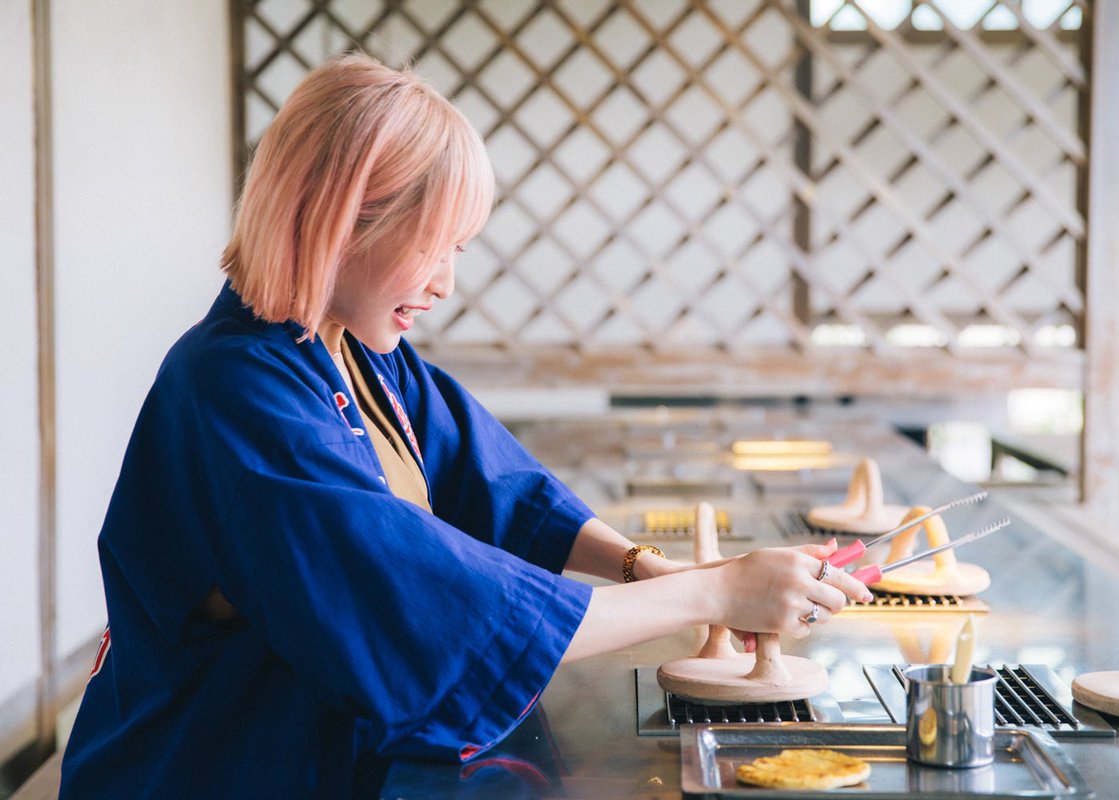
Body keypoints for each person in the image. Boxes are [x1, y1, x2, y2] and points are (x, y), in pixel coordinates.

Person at [58, 53, 872, 798]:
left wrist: (644, 568)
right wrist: (716, 589)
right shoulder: (234, 389)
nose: (448, 283)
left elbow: (497, 484)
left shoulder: (350, 350)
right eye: (435, 248)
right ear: (342, 223)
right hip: (199, 771)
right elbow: (422, 599)